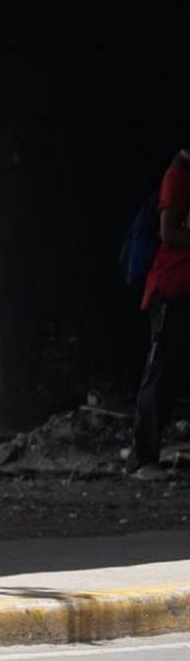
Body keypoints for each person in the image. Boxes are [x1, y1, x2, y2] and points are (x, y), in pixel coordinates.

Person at [127, 148, 190, 480]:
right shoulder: (178, 176)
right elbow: (170, 233)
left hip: (183, 288)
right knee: (161, 373)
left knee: (171, 373)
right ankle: (141, 459)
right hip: (172, 289)